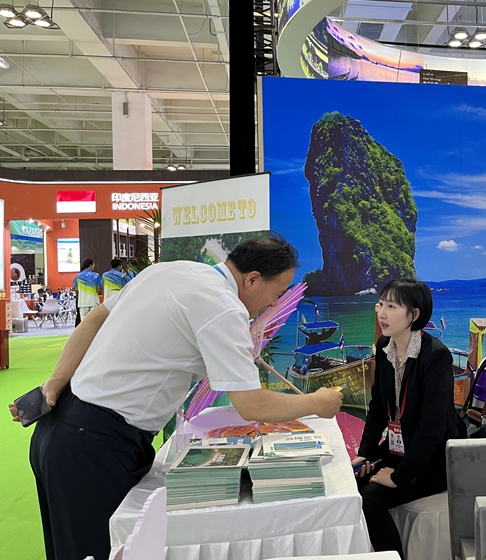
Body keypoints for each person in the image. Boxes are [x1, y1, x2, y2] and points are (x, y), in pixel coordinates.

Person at [8, 235, 343, 560]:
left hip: (61, 428)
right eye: (277, 293)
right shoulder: (224, 307)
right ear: (253, 279)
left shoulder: (169, 270)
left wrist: (57, 380)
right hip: (93, 444)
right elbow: (252, 404)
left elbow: (94, 319)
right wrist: (316, 403)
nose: (273, 304)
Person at [352, 278, 466, 559]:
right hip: (399, 448)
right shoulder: (384, 347)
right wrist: (365, 454)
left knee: (370, 499)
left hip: (434, 459)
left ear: (414, 314)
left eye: (392, 306)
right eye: (381, 304)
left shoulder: (436, 356)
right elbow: (377, 408)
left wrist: (399, 477)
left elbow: (433, 429)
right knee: (352, 482)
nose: (382, 313)